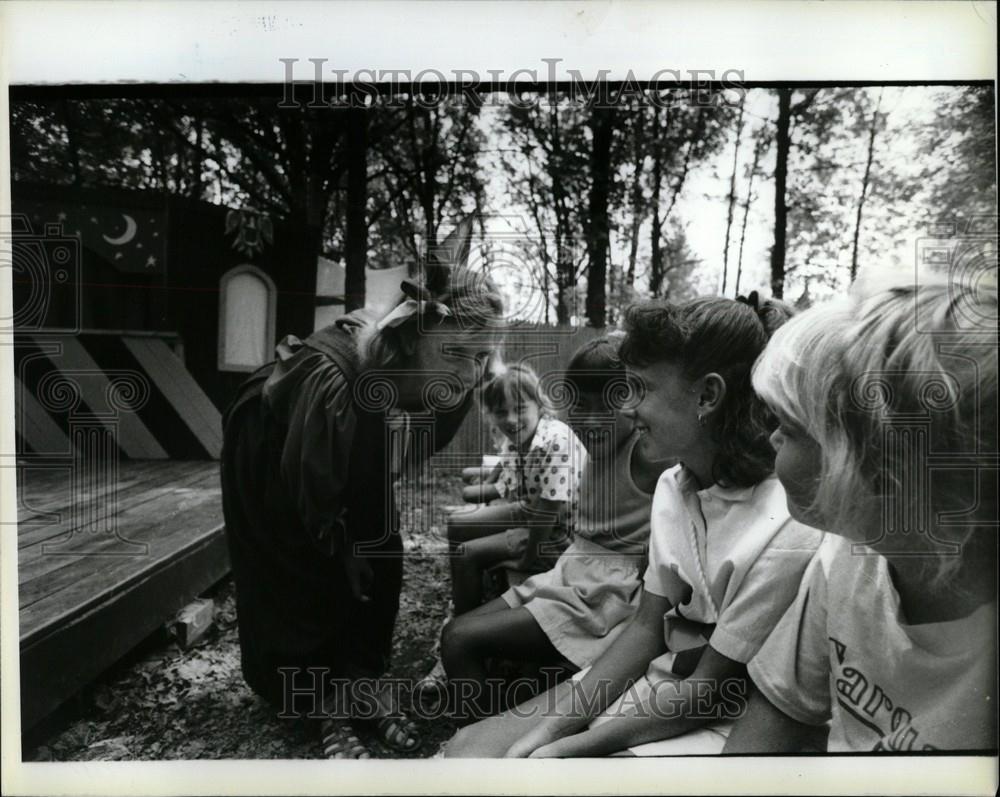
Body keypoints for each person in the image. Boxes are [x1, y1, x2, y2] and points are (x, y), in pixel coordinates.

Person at [446, 292, 824, 758]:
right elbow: (646, 629)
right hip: (649, 684)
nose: (625, 408)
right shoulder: (673, 485)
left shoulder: (784, 523)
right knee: (468, 751)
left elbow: (708, 692)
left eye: (640, 387)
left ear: (707, 395)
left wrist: (571, 746)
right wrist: (549, 731)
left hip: (717, 721)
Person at [220, 217, 504, 758]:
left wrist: (360, 537)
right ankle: (320, 699)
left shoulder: (425, 370)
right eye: (464, 355)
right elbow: (315, 495)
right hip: (278, 441)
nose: (473, 373)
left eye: (481, 357)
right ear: (416, 334)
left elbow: (403, 450)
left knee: (380, 547)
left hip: (357, 425)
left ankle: (363, 680)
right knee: (311, 567)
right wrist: (339, 540)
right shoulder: (338, 386)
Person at [724, 276, 998, 753]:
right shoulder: (846, 556)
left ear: (889, 476)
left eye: (790, 426)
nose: (772, 439)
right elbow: (780, 712)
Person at [434, 333, 671, 721]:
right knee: (457, 628)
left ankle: (474, 746)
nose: (591, 419)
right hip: (569, 573)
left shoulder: (645, 455)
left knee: (459, 640)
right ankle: (494, 715)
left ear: (635, 407)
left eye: (608, 406)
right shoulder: (590, 446)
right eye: (580, 405)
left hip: (604, 595)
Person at [416, 363, 587, 711]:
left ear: (539, 404)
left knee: (467, 551)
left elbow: (546, 514)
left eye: (519, 408)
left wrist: (525, 560)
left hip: (557, 535)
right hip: (530, 511)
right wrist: (481, 489)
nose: (510, 418)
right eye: (501, 411)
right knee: (460, 531)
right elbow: (511, 484)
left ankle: (464, 631)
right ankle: (462, 622)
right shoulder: (523, 437)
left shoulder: (554, 440)